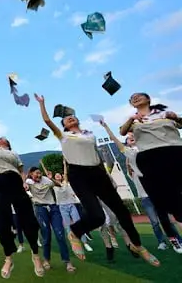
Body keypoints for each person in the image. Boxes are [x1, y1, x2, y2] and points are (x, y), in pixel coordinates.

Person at [35, 93, 159, 266]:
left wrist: (107, 176)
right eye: (66, 119)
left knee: (122, 211)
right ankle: (75, 232)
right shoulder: (64, 137)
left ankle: (138, 246)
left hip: (98, 173)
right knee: (97, 216)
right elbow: (48, 121)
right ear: (63, 126)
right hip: (78, 175)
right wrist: (42, 103)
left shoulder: (90, 135)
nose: (70, 118)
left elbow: (97, 156)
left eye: (72, 116)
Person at [0, 114, 43, 279]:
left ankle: (35, 254)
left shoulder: (13, 153)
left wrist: (24, 182)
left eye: (2, 139)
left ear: (6, 142)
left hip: (14, 181)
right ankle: (8, 258)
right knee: (0, 218)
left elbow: (21, 170)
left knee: (27, 216)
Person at [100, 120, 182, 253]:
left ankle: (176, 241)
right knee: (155, 222)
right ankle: (162, 242)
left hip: (159, 189)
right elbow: (115, 139)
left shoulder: (148, 149)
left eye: (133, 138)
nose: (132, 140)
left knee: (167, 218)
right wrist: (106, 127)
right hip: (145, 194)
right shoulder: (130, 153)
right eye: (129, 140)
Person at [119, 92, 182, 224]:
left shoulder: (163, 114)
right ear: (131, 104)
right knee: (166, 197)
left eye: (139, 96)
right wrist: (132, 119)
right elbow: (122, 132)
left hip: (174, 151)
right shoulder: (132, 119)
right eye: (132, 98)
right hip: (150, 156)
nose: (135, 97)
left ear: (148, 99)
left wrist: (175, 118)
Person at [25, 166, 75, 273]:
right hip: (40, 209)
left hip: (53, 208)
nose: (38, 175)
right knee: (46, 235)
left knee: (60, 234)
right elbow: (24, 187)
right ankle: (46, 260)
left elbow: (58, 185)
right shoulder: (28, 181)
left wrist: (51, 178)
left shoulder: (46, 179)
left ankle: (67, 261)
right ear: (31, 174)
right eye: (36, 173)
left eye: (40, 173)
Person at [51, 160, 93, 253]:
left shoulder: (65, 183)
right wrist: (44, 167)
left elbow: (65, 173)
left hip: (71, 205)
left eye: (59, 174)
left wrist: (64, 164)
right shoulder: (54, 186)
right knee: (68, 225)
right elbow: (51, 179)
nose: (57, 175)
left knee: (77, 222)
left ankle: (85, 243)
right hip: (62, 207)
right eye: (56, 175)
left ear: (61, 176)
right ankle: (74, 243)